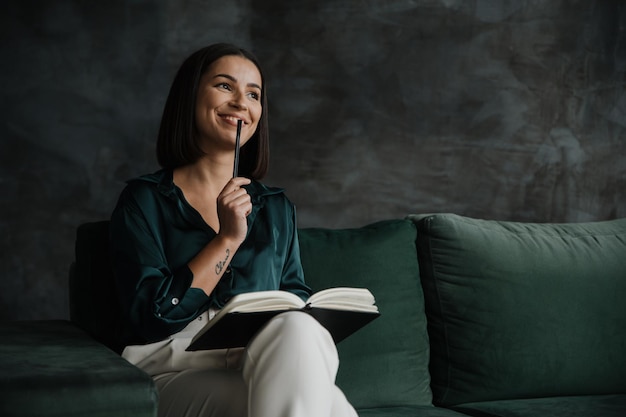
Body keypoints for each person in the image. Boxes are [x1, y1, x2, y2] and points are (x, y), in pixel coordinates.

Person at [109, 43, 358, 417]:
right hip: (173, 369)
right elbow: (154, 316)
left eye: (253, 94)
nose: (242, 102)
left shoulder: (276, 207)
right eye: (225, 86)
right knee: (330, 406)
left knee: (300, 339)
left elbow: (293, 296)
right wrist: (227, 238)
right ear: (190, 97)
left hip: (261, 359)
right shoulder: (143, 200)